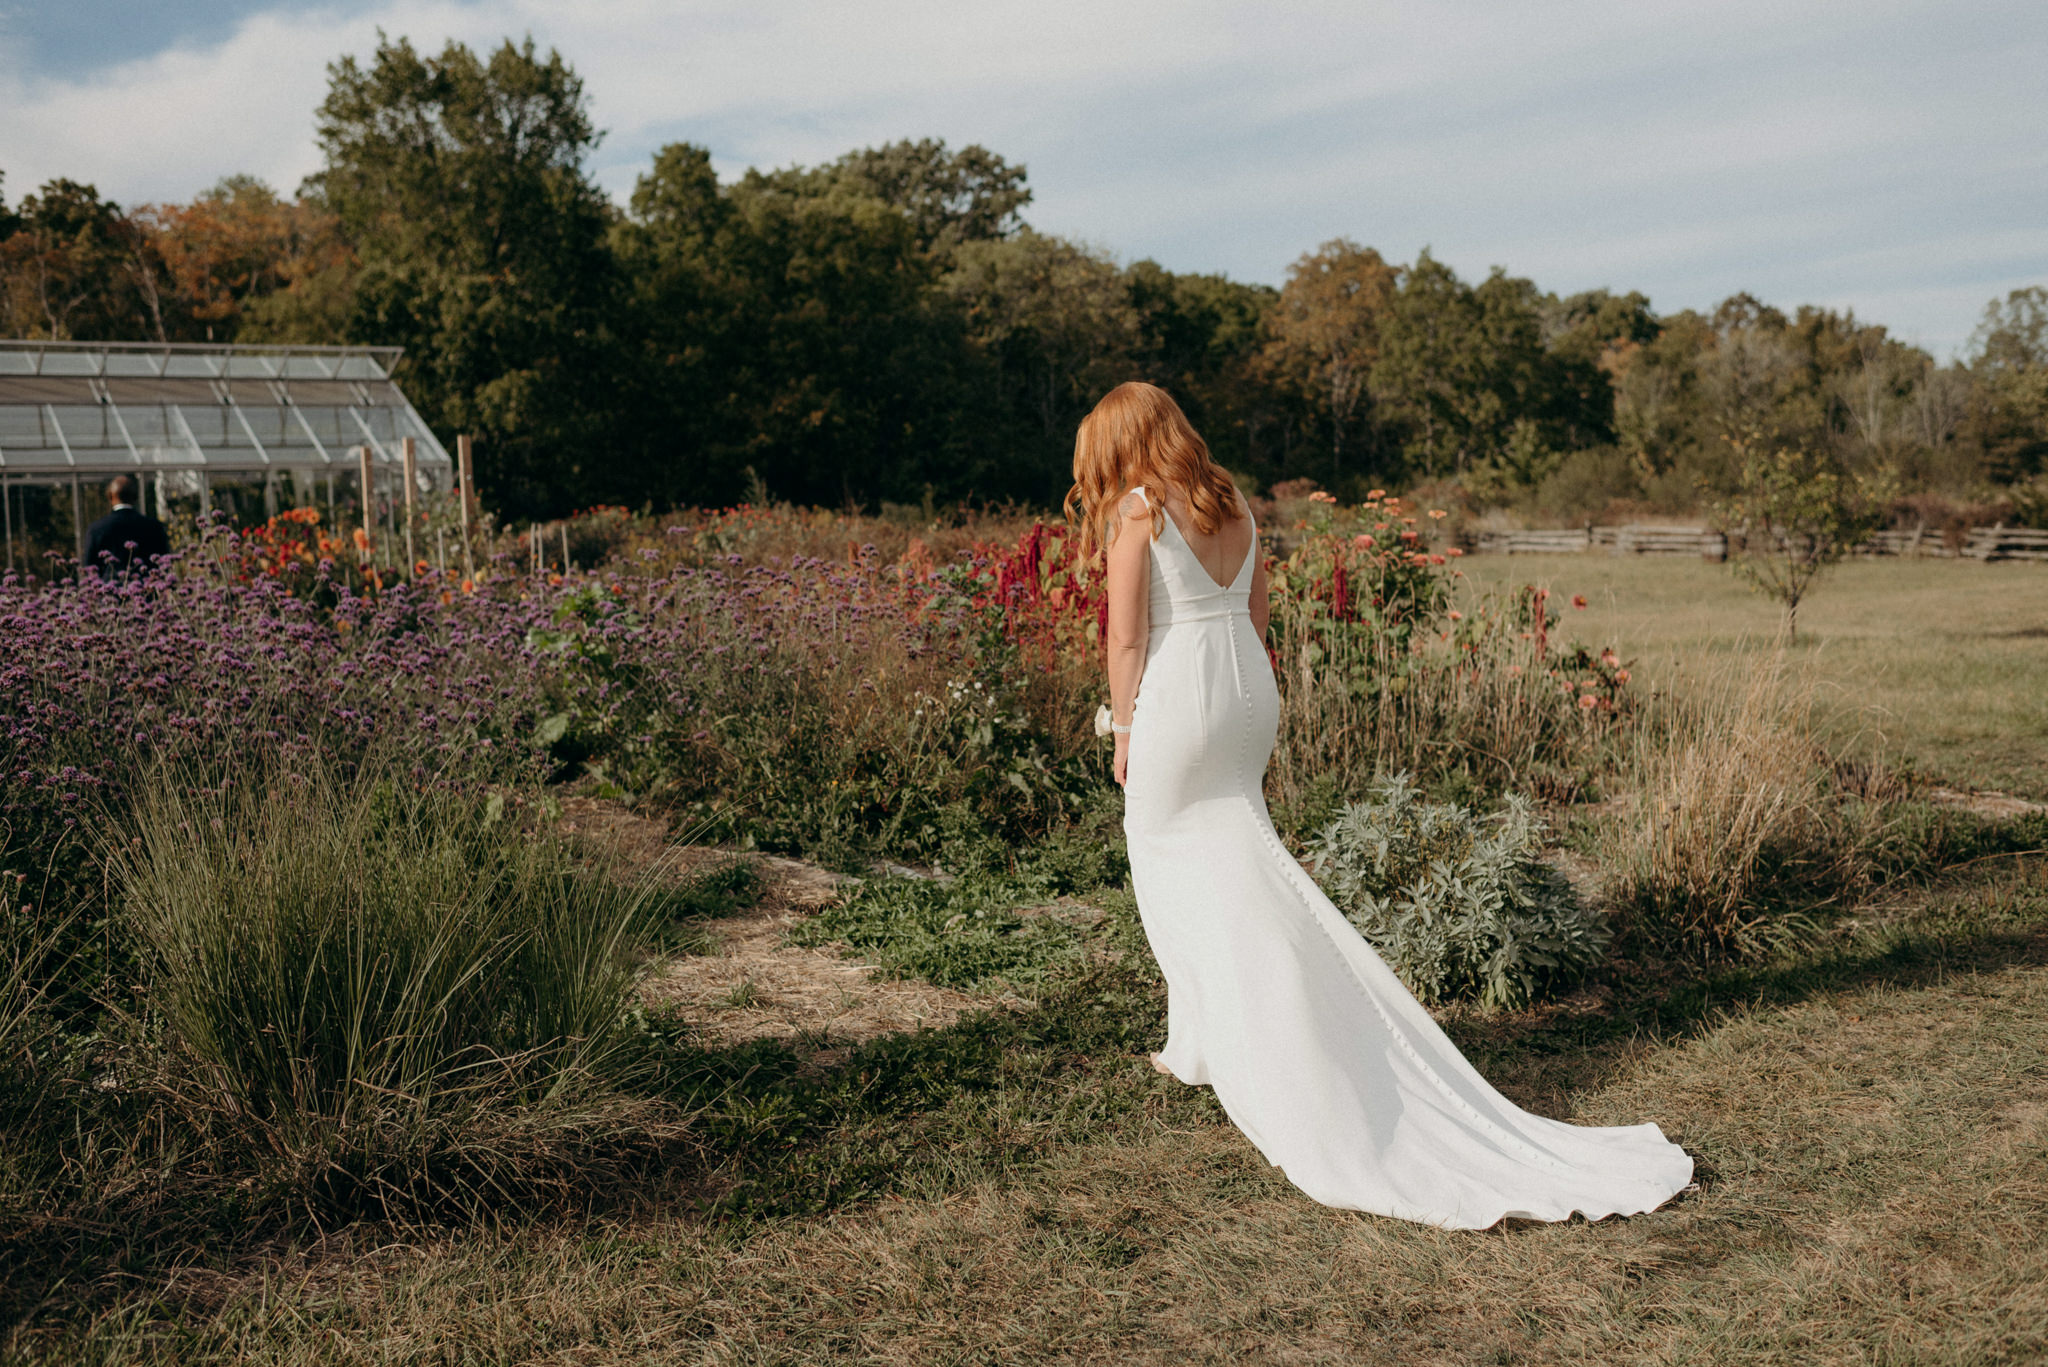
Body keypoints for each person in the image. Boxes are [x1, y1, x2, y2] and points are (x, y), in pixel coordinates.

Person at [1066, 381, 1693, 1229]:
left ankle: (1235, 1040)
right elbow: (1256, 616)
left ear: (1121, 444)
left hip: (1184, 695)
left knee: (1170, 856)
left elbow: (1129, 636)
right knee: (1243, 858)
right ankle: (1199, 1037)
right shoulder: (1234, 501)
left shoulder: (1140, 511)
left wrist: (1125, 727)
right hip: (1250, 690)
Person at [83, 474, 171, 580]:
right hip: (146, 590)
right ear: (135, 497)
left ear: (110, 497)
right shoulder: (154, 527)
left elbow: (89, 567)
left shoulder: (96, 529)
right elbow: (164, 561)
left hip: (108, 591)